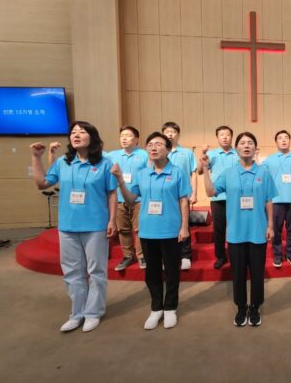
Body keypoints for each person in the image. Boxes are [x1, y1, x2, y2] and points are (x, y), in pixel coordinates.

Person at [29, 121, 117, 333]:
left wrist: (112, 220)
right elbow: (42, 183)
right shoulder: (63, 162)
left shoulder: (105, 163)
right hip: (68, 226)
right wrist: (36, 157)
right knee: (72, 272)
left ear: (92, 137)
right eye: (73, 132)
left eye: (82, 131)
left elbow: (112, 193)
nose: (76, 135)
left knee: (96, 271)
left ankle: (93, 312)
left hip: (95, 225)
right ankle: (77, 313)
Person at [111, 132, 190, 330]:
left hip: (171, 230)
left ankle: (170, 308)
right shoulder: (142, 174)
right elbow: (131, 199)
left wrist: (184, 227)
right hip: (147, 231)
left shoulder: (178, 173)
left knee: (172, 272)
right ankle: (156, 308)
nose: (153, 147)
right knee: (151, 273)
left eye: (159, 144)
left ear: (168, 149)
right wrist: (120, 181)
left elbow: (183, 201)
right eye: (150, 144)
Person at [202, 132, 276, 327]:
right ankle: (241, 307)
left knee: (257, 274)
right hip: (235, 233)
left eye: (250, 142)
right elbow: (211, 192)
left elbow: (269, 200)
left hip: (258, 231)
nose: (246, 145)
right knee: (238, 274)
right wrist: (206, 169)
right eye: (242, 143)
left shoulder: (264, 172)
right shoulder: (228, 173)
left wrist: (270, 225)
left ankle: (255, 307)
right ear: (236, 149)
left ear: (255, 148)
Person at [263, 130, 291, 268]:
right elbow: (262, 177)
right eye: (280, 138)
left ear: (289, 141)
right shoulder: (269, 160)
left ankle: (290, 254)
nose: (283, 140)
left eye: (286, 138)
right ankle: (277, 255)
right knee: (276, 229)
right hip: (275, 201)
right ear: (276, 142)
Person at [197, 125, 239, 269]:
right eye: (222, 135)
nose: (225, 137)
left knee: (235, 228)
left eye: (227, 135)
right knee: (219, 229)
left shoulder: (238, 153)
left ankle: (235, 256)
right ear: (217, 138)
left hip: (236, 197)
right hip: (217, 196)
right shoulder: (211, 154)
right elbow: (200, 171)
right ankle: (220, 256)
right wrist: (202, 154)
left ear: (232, 137)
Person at [107, 126, 149, 271]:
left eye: (128, 135)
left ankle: (141, 256)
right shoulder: (112, 156)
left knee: (139, 229)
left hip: (139, 199)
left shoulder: (144, 155)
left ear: (136, 139)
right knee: (123, 230)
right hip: (119, 198)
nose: (124, 138)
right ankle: (127, 256)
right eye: (122, 136)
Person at [162, 122, 197, 270]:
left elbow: (193, 173)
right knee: (166, 225)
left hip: (182, 195)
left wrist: (194, 193)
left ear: (178, 134)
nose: (170, 134)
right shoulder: (160, 152)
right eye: (167, 132)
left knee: (184, 224)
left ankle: (185, 255)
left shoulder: (187, 153)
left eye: (173, 131)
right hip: (164, 195)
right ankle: (167, 256)